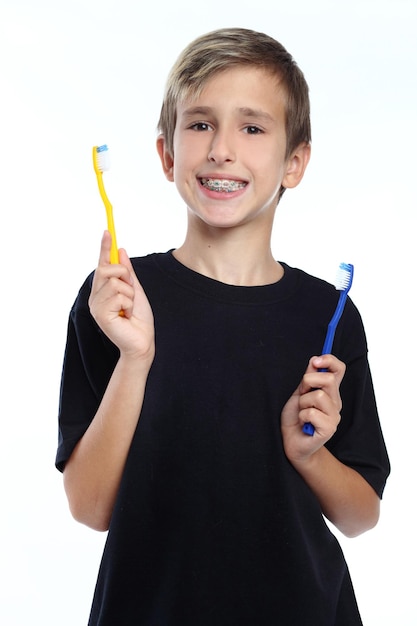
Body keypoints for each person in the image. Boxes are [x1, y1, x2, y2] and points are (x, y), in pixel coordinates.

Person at [56, 27, 390, 625]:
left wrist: (311, 456)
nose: (222, 150)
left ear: (295, 162)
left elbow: (362, 516)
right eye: (201, 123)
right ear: (167, 154)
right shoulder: (120, 301)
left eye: (253, 127)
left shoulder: (328, 316)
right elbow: (90, 506)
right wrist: (135, 359)